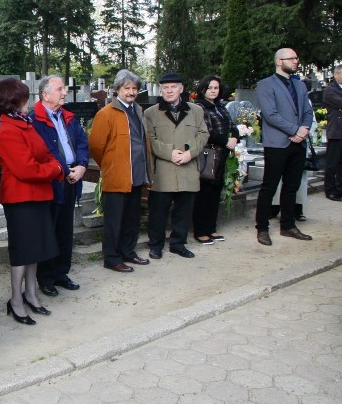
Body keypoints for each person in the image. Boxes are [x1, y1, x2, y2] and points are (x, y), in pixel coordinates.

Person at [0, 78, 62, 324]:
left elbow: (45, 153)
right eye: (24, 97)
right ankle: (16, 300)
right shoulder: (8, 130)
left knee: (35, 250)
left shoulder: (25, 124)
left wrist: (51, 164)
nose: (28, 101)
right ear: (15, 100)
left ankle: (31, 294)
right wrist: (54, 169)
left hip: (38, 195)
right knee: (22, 252)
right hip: (21, 199)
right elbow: (27, 169)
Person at [30, 76, 89, 296]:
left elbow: (82, 143)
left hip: (72, 178)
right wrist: (61, 169)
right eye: (60, 89)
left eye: (64, 89)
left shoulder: (68, 117)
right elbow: (39, 153)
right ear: (46, 95)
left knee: (65, 230)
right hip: (51, 181)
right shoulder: (34, 120)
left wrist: (82, 166)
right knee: (49, 230)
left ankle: (61, 273)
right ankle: (45, 278)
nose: (64, 92)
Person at [88, 70, 150, 273]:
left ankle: (128, 251)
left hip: (137, 174)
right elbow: (96, 146)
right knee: (115, 220)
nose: (131, 92)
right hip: (117, 175)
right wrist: (110, 165)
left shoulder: (138, 110)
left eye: (134, 88)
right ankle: (112, 258)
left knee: (132, 218)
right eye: (127, 88)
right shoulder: (105, 114)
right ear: (117, 90)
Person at [144, 72, 210, 259]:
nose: (169, 90)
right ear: (161, 90)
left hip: (188, 168)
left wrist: (190, 152)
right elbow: (150, 139)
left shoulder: (196, 110)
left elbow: (203, 134)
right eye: (165, 87)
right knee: (158, 211)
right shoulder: (151, 113)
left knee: (183, 211)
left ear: (181, 89)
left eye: (173, 87)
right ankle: (156, 245)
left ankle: (178, 243)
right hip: (163, 171)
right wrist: (169, 152)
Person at [254, 48, 314, 245]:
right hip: (277, 144)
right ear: (280, 61)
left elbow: (307, 111)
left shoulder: (300, 85)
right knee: (269, 186)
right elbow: (271, 115)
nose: (296, 61)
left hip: (298, 143)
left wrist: (304, 129)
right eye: (292, 58)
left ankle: (288, 225)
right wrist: (295, 130)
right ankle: (262, 228)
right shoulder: (265, 85)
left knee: (291, 186)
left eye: (297, 58)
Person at [192, 75, 239, 244]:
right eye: (210, 88)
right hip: (208, 155)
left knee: (215, 194)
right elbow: (207, 131)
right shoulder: (199, 107)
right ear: (203, 89)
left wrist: (235, 137)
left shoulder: (220, 106)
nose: (213, 91)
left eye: (216, 88)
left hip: (223, 156)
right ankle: (200, 230)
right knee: (204, 194)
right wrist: (226, 141)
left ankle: (211, 227)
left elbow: (232, 126)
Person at [323, 64, 342, 202]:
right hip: (336, 131)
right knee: (332, 163)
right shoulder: (330, 90)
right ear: (336, 74)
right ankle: (330, 190)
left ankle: (340, 188)